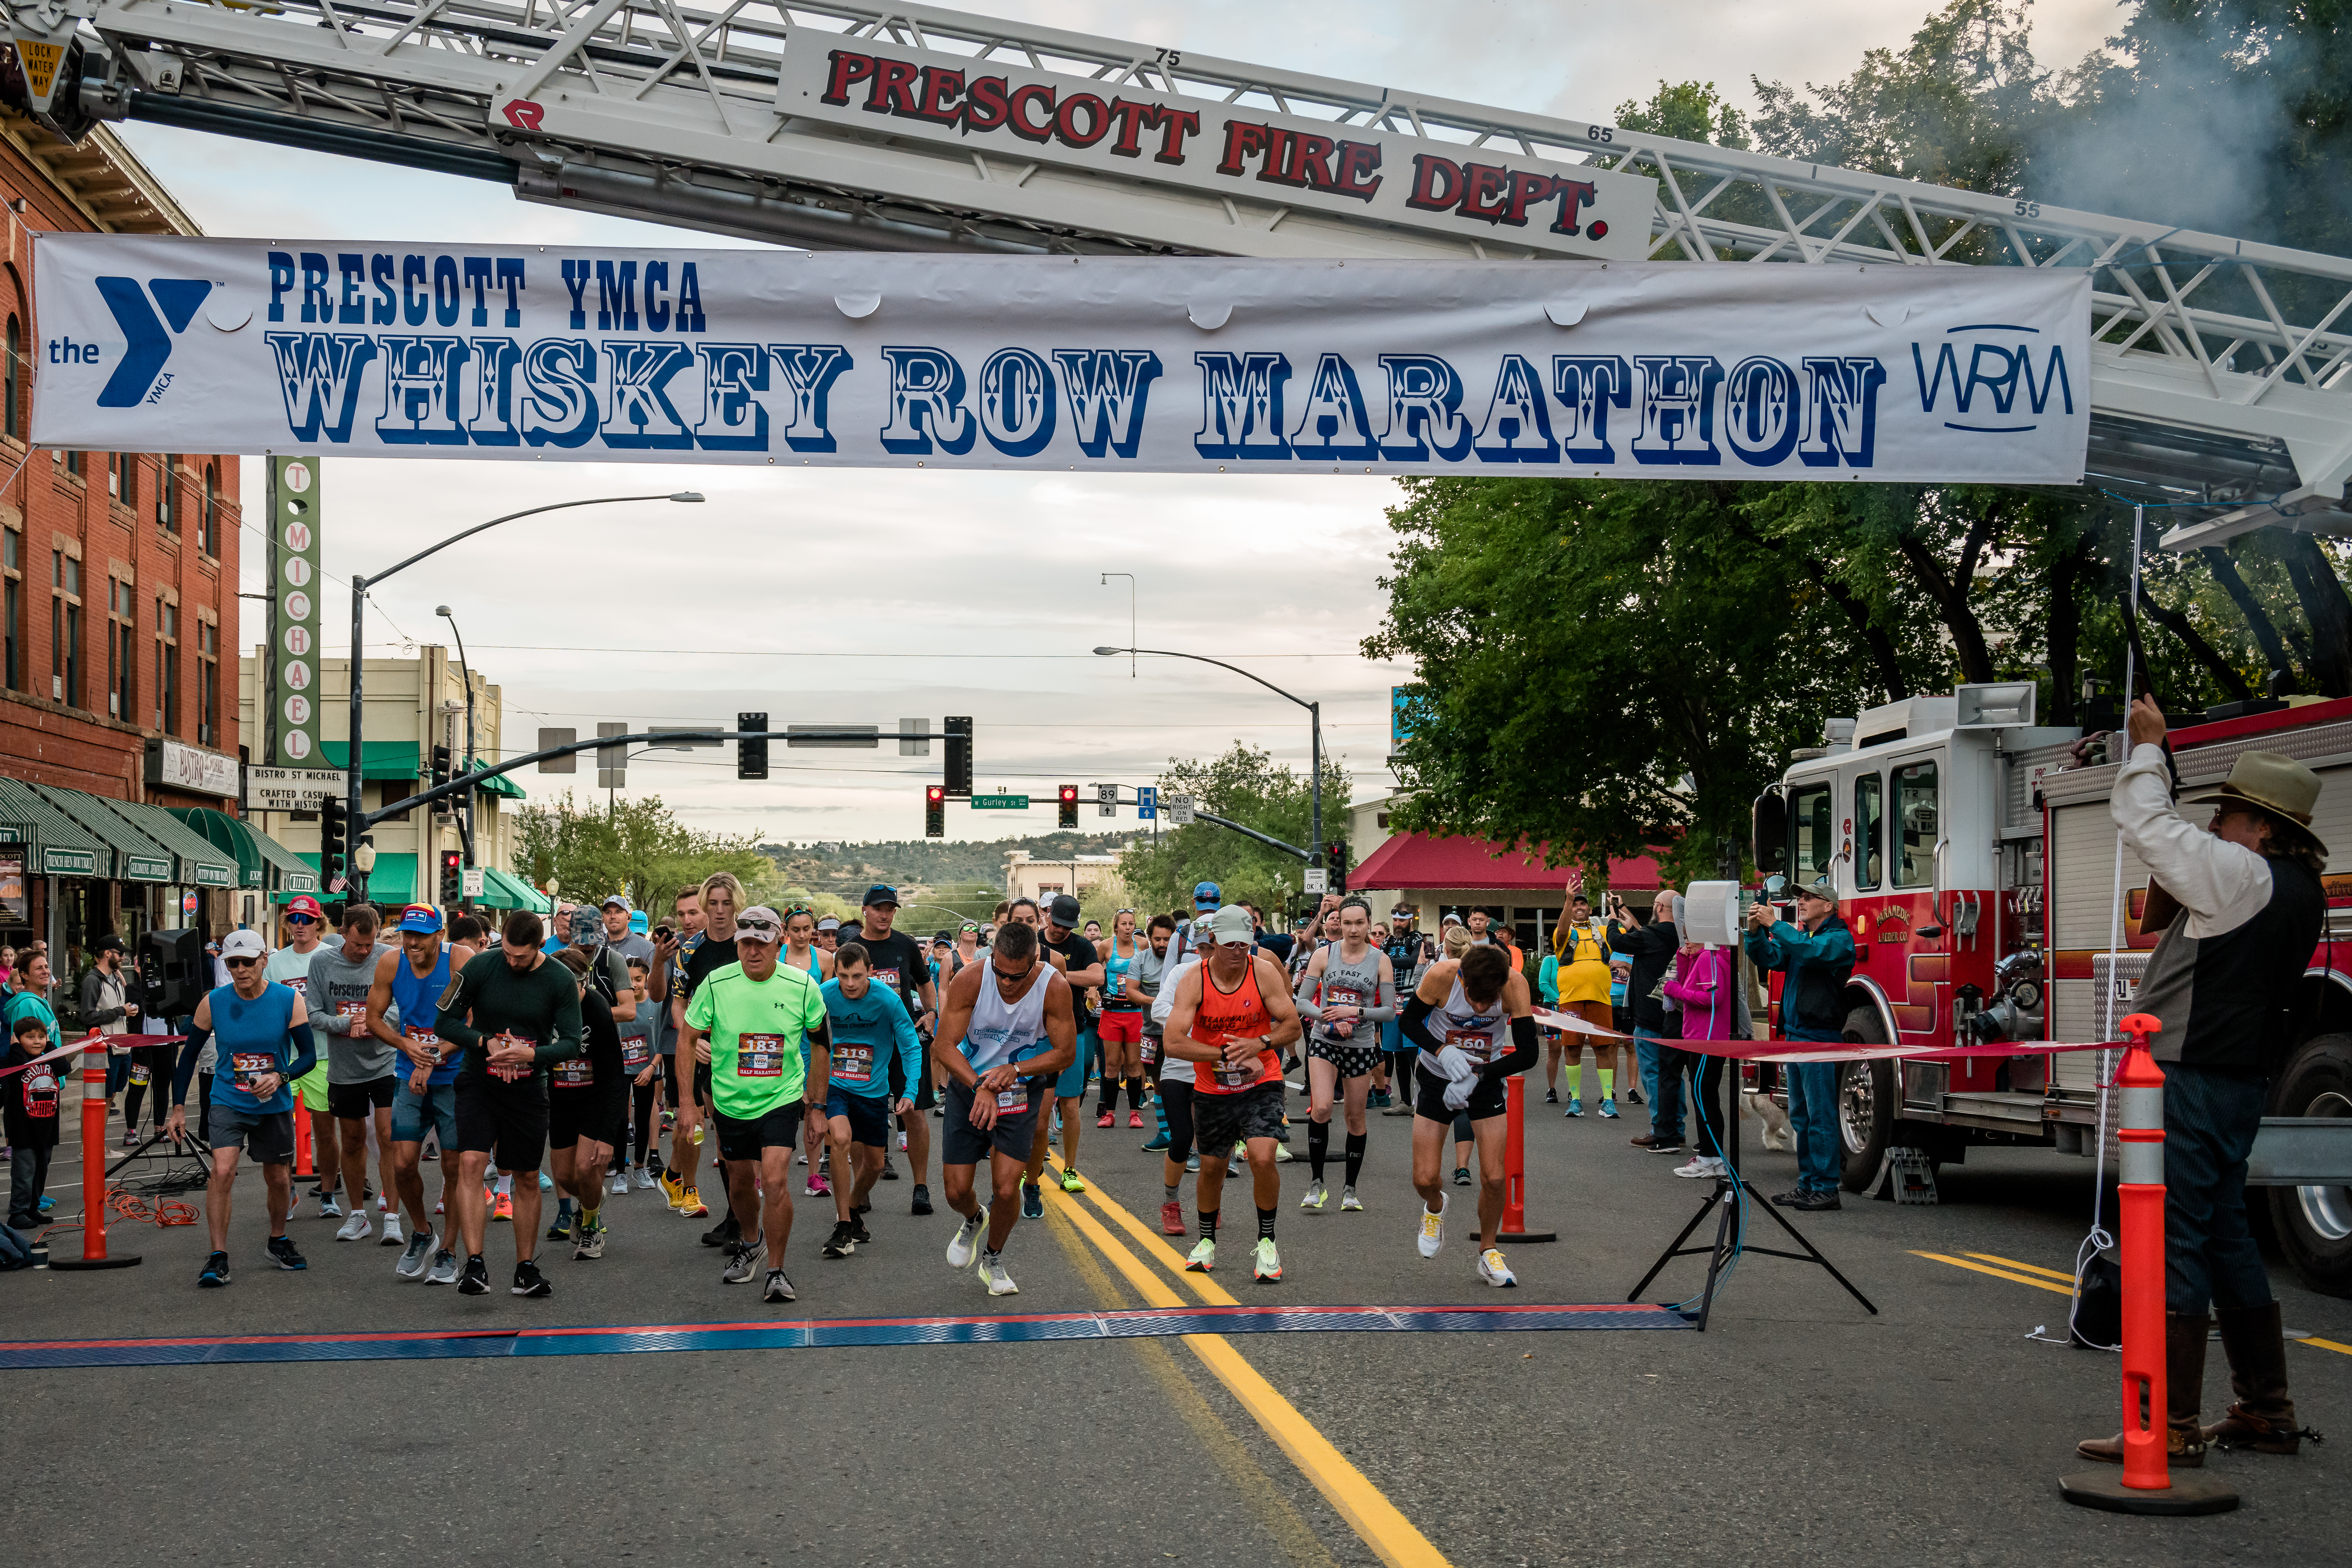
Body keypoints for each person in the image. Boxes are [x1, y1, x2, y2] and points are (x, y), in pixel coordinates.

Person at [2077, 716, 2328, 1467]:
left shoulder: (2243, 875)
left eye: (2229, 814)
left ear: (2263, 828)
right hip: (2239, 1076)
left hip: (2189, 1071)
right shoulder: (2298, 888)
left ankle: (2171, 1426)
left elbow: (2146, 823)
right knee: (2225, 1234)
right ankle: (2266, 1408)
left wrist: (2147, 748)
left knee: (2177, 1238)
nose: (2215, 825)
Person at [431, 910, 585, 1298]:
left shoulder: (560, 979)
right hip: (478, 1081)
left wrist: (531, 1055)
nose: (512, 961)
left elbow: (571, 1043)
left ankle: (525, 1268)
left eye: (521, 956)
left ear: (540, 946)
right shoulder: (481, 965)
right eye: (508, 953)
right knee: (470, 1162)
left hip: (528, 1087)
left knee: (527, 1175)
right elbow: (444, 1023)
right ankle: (475, 1263)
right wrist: (486, 1042)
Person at [683, 905, 831, 1303]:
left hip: (781, 1098)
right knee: (739, 1182)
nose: (753, 951)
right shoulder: (716, 983)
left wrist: (817, 1106)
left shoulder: (802, 986)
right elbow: (687, 1036)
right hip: (730, 1101)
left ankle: (776, 1270)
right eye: (746, 942)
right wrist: (687, 1102)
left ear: (779, 943)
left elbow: (821, 1044)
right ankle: (752, 1241)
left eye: (761, 943)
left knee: (775, 1179)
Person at [165, 929, 318, 1286]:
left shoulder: (288, 999)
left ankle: (278, 1239)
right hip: (227, 1099)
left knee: (278, 1177)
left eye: (247, 962)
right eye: (232, 963)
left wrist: (280, 1076)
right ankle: (218, 1256)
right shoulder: (213, 1002)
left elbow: (309, 1056)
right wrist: (177, 1108)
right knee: (222, 1172)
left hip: (273, 1102)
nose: (240, 970)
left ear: (264, 960)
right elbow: (187, 1058)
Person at [933, 919, 1077, 1297]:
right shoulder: (972, 979)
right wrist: (979, 1085)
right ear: (992, 956)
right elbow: (943, 1046)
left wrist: (1016, 1069)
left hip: (1020, 1091)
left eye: (1017, 976)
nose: (1007, 982)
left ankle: (993, 1258)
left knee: (1008, 1189)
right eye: (1001, 972)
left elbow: (1066, 1052)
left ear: (1034, 960)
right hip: (971, 1084)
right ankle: (973, 1218)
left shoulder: (1053, 986)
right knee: (955, 1191)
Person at [1163, 903, 1303, 1283]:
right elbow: (1173, 1042)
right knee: (1213, 1167)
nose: (1238, 951)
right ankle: (1206, 1241)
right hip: (1214, 1085)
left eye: (1244, 943)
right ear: (1213, 941)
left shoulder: (1264, 972)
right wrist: (1228, 1054)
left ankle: (1268, 1241)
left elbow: (1292, 1026)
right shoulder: (1195, 979)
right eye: (1230, 945)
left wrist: (1259, 1043)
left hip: (1262, 1080)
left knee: (1263, 1157)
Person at [1402, 942, 1538, 1288]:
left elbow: (1529, 1053)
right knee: (1425, 1179)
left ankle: (1488, 1251)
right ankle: (1435, 1208)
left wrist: (1480, 1074)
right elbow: (1408, 1021)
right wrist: (1442, 1050)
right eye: (1474, 999)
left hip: (1484, 1080)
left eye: (1488, 1002)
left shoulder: (1514, 984)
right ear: (1462, 979)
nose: (1479, 1008)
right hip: (1437, 1077)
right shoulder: (1442, 975)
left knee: (1494, 1178)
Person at [375, 904, 477, 1284]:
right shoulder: (390, 962)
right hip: (410, 1073)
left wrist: (433, 1056)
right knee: (402, 1163)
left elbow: (475, 1020)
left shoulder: (460, 959)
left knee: (454, 1166)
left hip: (454, 1075)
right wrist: (406, 1044)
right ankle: (422, 1232)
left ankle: (449, 1249)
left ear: (440, 935)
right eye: (407, 934)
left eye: (421, 935)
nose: (413, 942)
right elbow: (372, 1018)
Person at [1742, 876, 1853, 1210]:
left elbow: (1811, 953)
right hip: (1797, 1035)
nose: (1801, 901)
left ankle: (1826, 1187)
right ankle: (1808, 1184)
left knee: (1819, 1116)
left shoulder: (1838, 939)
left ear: (1829, 906)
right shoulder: (1805, 937)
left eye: (1809, 897)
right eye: (1800, 897)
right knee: (1803, 1117)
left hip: (1818, 1038)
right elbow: (1769, 958)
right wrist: (1754, 932)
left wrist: (1774, 924)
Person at [817, 942, 922, 1258]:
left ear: (871, 972)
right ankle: (843, 1224)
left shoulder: (887, 1000)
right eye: (843, 976)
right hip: (835, 1085)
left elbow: (911, 1046)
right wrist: (810, 1084)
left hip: (874, 1090)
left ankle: (852, 1209)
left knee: (875, 1164)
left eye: (857, 976)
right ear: (835, 973)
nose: (850, 984)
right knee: (841, 1139)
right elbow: (806, 1040)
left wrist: (910, 1091)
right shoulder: (823, 995)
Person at [838, 885, 938, 1215]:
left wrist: (931, 1012)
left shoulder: (905, 944)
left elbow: (924, 981)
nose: (885, 915)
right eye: (878, 908)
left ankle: (921, 1187)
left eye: (890, 909)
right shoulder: (852, 948)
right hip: (863, 1045)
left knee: (914, 1111)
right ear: (864, 910)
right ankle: (861, 1188)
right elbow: (836, 989)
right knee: (857, 1115)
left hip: (903, 1040)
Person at [307, 905, 402, 1245]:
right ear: (343, 933)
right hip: (344, 1067)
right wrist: (348, 1023)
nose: (364, 951)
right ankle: (358, 1215)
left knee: (388, 1136)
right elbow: (314, 1014)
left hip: (386, 1061)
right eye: (358, 944)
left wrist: (375, 1022)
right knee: (351, 1140)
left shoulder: (388, 957)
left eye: (370, 944)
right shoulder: (322, 962)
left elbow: (400, 1007)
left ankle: (392, 1217)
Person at [1294, 898, 1394, 1215]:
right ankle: (1317, 1183)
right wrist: (1329, 1018)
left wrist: (1355, 1012)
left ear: (1368, 924)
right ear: (1336, 923)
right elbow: (1302, 1002)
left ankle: (1350, 1189)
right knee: (1322, 1107)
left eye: (1359, 923)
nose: (1352, 929)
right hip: (1324, 1040)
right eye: (1347, 922)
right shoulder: (1324, 955)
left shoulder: (1381, 960)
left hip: (1360, 1046)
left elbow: (1389, 1012)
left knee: (1355, 1118)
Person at [669, 872, 747, 1223]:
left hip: (746, 1050)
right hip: (706, 1052)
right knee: (714, 1133)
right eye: (713, 903)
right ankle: (733, 1218)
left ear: (737, 905)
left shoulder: (750, 943)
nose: (719, 910)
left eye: (726, 903)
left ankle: (738, 1217)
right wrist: (695, 1038)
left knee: (739, 1137)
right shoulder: (690, 950)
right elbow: (679, 1003)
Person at [1026, 892, 1106, 1206]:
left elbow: (1097, 976)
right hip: (1035, 1034)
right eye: (1057, 924)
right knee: (1037, 1110)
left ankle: (1069, 1169)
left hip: (1073, 1030)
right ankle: (1030, 1165)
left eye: (1067, 927)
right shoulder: (1032, 941)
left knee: (1071, 1105)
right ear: (1047, 917)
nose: (1061, 931)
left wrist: (1057, 974)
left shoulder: (1082, 946)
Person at [266, 894, 342, 1218]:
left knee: (325, 1130)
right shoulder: (275, 962)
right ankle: (288, 1192)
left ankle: (328, 1194)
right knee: (280, 1131)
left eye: (307, 919)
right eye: (294, 919)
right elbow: (267, 1005)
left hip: (323, 1055)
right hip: (285, 1057)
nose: (300, 925)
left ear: (318, 923)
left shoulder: (331, 957)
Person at [548, 947, 627, 1260]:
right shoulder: (545, 1005)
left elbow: (616, 1076)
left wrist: (608, 1136)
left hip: (595, 1096)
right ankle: (592, 1199)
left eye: (578, 985)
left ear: (586, 981)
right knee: (564, 1176)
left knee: (585, 1167)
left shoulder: (597, 1008)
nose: (572, 993)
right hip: (561, 1098)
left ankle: (591, 1226)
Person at [1660, 935, 1738, 1180]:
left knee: (1704, 1098)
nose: (1686, 943)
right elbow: (1695, 985)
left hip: (1706, 1037)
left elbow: (1714, 997)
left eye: (1690, 937)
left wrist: (1676, 991)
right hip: (1705, 1036)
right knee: (1706, 1097)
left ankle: (1709, 1158)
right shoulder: (1710, 957)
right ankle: (1712, 1158)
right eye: (1684, 938)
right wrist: (1684, 960)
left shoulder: (1709, 958)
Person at [1611, 894, 1682, 1153]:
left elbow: (1617, 942)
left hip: (1648, 1014)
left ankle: (1660, 1128)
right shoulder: (1683, 936)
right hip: (1674, 1014)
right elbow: (1646, 944)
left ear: (1659, 907)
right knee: (1673, 1075)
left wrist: (1612, 921)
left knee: (1653, 1073)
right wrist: (1629, 922)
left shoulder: (1651, 935)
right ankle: (1676, 1127)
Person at [649, 883, 699, 1209]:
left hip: (721, 1041)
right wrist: (658, 960)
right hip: (677, 1040)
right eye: (681, 914)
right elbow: (656, 995)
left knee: (709, 1121)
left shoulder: (727, 945)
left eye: (693, 912)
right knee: (690, 1118)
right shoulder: (675, 947)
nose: (687, 920)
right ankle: (689, 1188)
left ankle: (673, 1174)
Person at [1552, 895, 1621, 1118]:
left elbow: (1631, 938)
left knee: (1604, 1049)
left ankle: (1608, 1101)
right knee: (1572, 1049)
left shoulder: (1603, 931)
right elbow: (1561, 934)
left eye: (1582, 904)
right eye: (1575, 905)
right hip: (1571, 1000)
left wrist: (1619, 909)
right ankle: (1575, 1100)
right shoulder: (1563, 931)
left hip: (1601, 999)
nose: (1578, 907)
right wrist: (1568, 899)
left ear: (1590, 909)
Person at [81, 936, 147, 1146]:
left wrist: (127, 1012)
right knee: (97, 1099)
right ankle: (89, 1147)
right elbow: (88, 1016)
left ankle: (98, 1145)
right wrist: (121, 1011)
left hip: (121, 1046)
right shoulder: (92, 980)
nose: (123, 957)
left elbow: (118, 1009)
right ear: (107, 953)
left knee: (109, 1098)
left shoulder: (116, 979)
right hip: (104, 1048)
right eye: (120, 954)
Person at [5, 1012, 62, 1233]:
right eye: (30, 1037)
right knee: (24, 1172)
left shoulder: (50, 1059)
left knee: (41, 1170)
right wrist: (15, 1048)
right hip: (23, 1129)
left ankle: (32, 1207)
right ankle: (18, 1212)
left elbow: (64, 1067)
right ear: (18, 1040)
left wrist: (51, 1046)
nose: (37, 1041)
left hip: (47, 1126)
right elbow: (16, 1065)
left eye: (41, 1037)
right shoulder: (14, 1061)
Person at [1095, 909, 1149, 1130]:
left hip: (1135, 1012)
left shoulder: (1142, 945)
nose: (1128, 928)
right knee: (1112, 1064)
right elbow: (1095, 970)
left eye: (1131, 924)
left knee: (1134, 1063)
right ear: (1116, 926)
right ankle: (1110, 1114)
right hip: (1112, 1012)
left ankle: (1134, 1114)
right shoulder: (1106, 946)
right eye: (1124, 924)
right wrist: (1093, 990)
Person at [1378, 907, 1432, 1116]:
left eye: (1402, 920)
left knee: (1412, 1053)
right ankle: (1405, 1101)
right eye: (1395, 920)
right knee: (1397, 1052)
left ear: (1410, 920)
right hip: (1393, 998)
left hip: (1412, 998)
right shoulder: (1389, 941)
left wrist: (1386, 962)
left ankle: (1422, 1101)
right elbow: (1377, 959)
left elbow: (1413, 961)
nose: (1397, 924)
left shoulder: (1419, 939)